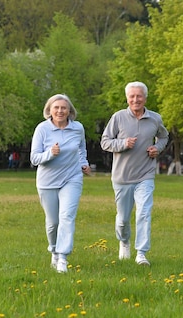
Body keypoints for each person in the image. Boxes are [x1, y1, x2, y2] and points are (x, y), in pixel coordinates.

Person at [100, 81, 169, 266]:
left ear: (145, 98)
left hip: (145, 175)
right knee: (122, 220)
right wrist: (123, 144)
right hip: (122, 177)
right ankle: (124, 241)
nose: (135, 99)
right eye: (132, 96)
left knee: (144, 213)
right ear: (127, 98)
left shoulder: (155, 119)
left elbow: (164, 136)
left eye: (139, 96)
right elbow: (105, 142)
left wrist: (157, 148)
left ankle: (141, 254)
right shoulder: (118, 117)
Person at [30, 94, 91, 273]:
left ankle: (63, 258)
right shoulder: (42, 129)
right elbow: (34, 158)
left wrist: (83, 163)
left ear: (69, 111)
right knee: (53, 222)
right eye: (56, 108)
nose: (60, 111)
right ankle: (54, 250)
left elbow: (81, 148)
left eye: (64, 108)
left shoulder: (77, 128)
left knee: (67, 217)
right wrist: (50, 153)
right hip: (47, 181)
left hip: (72, 179)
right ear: (49, 110)